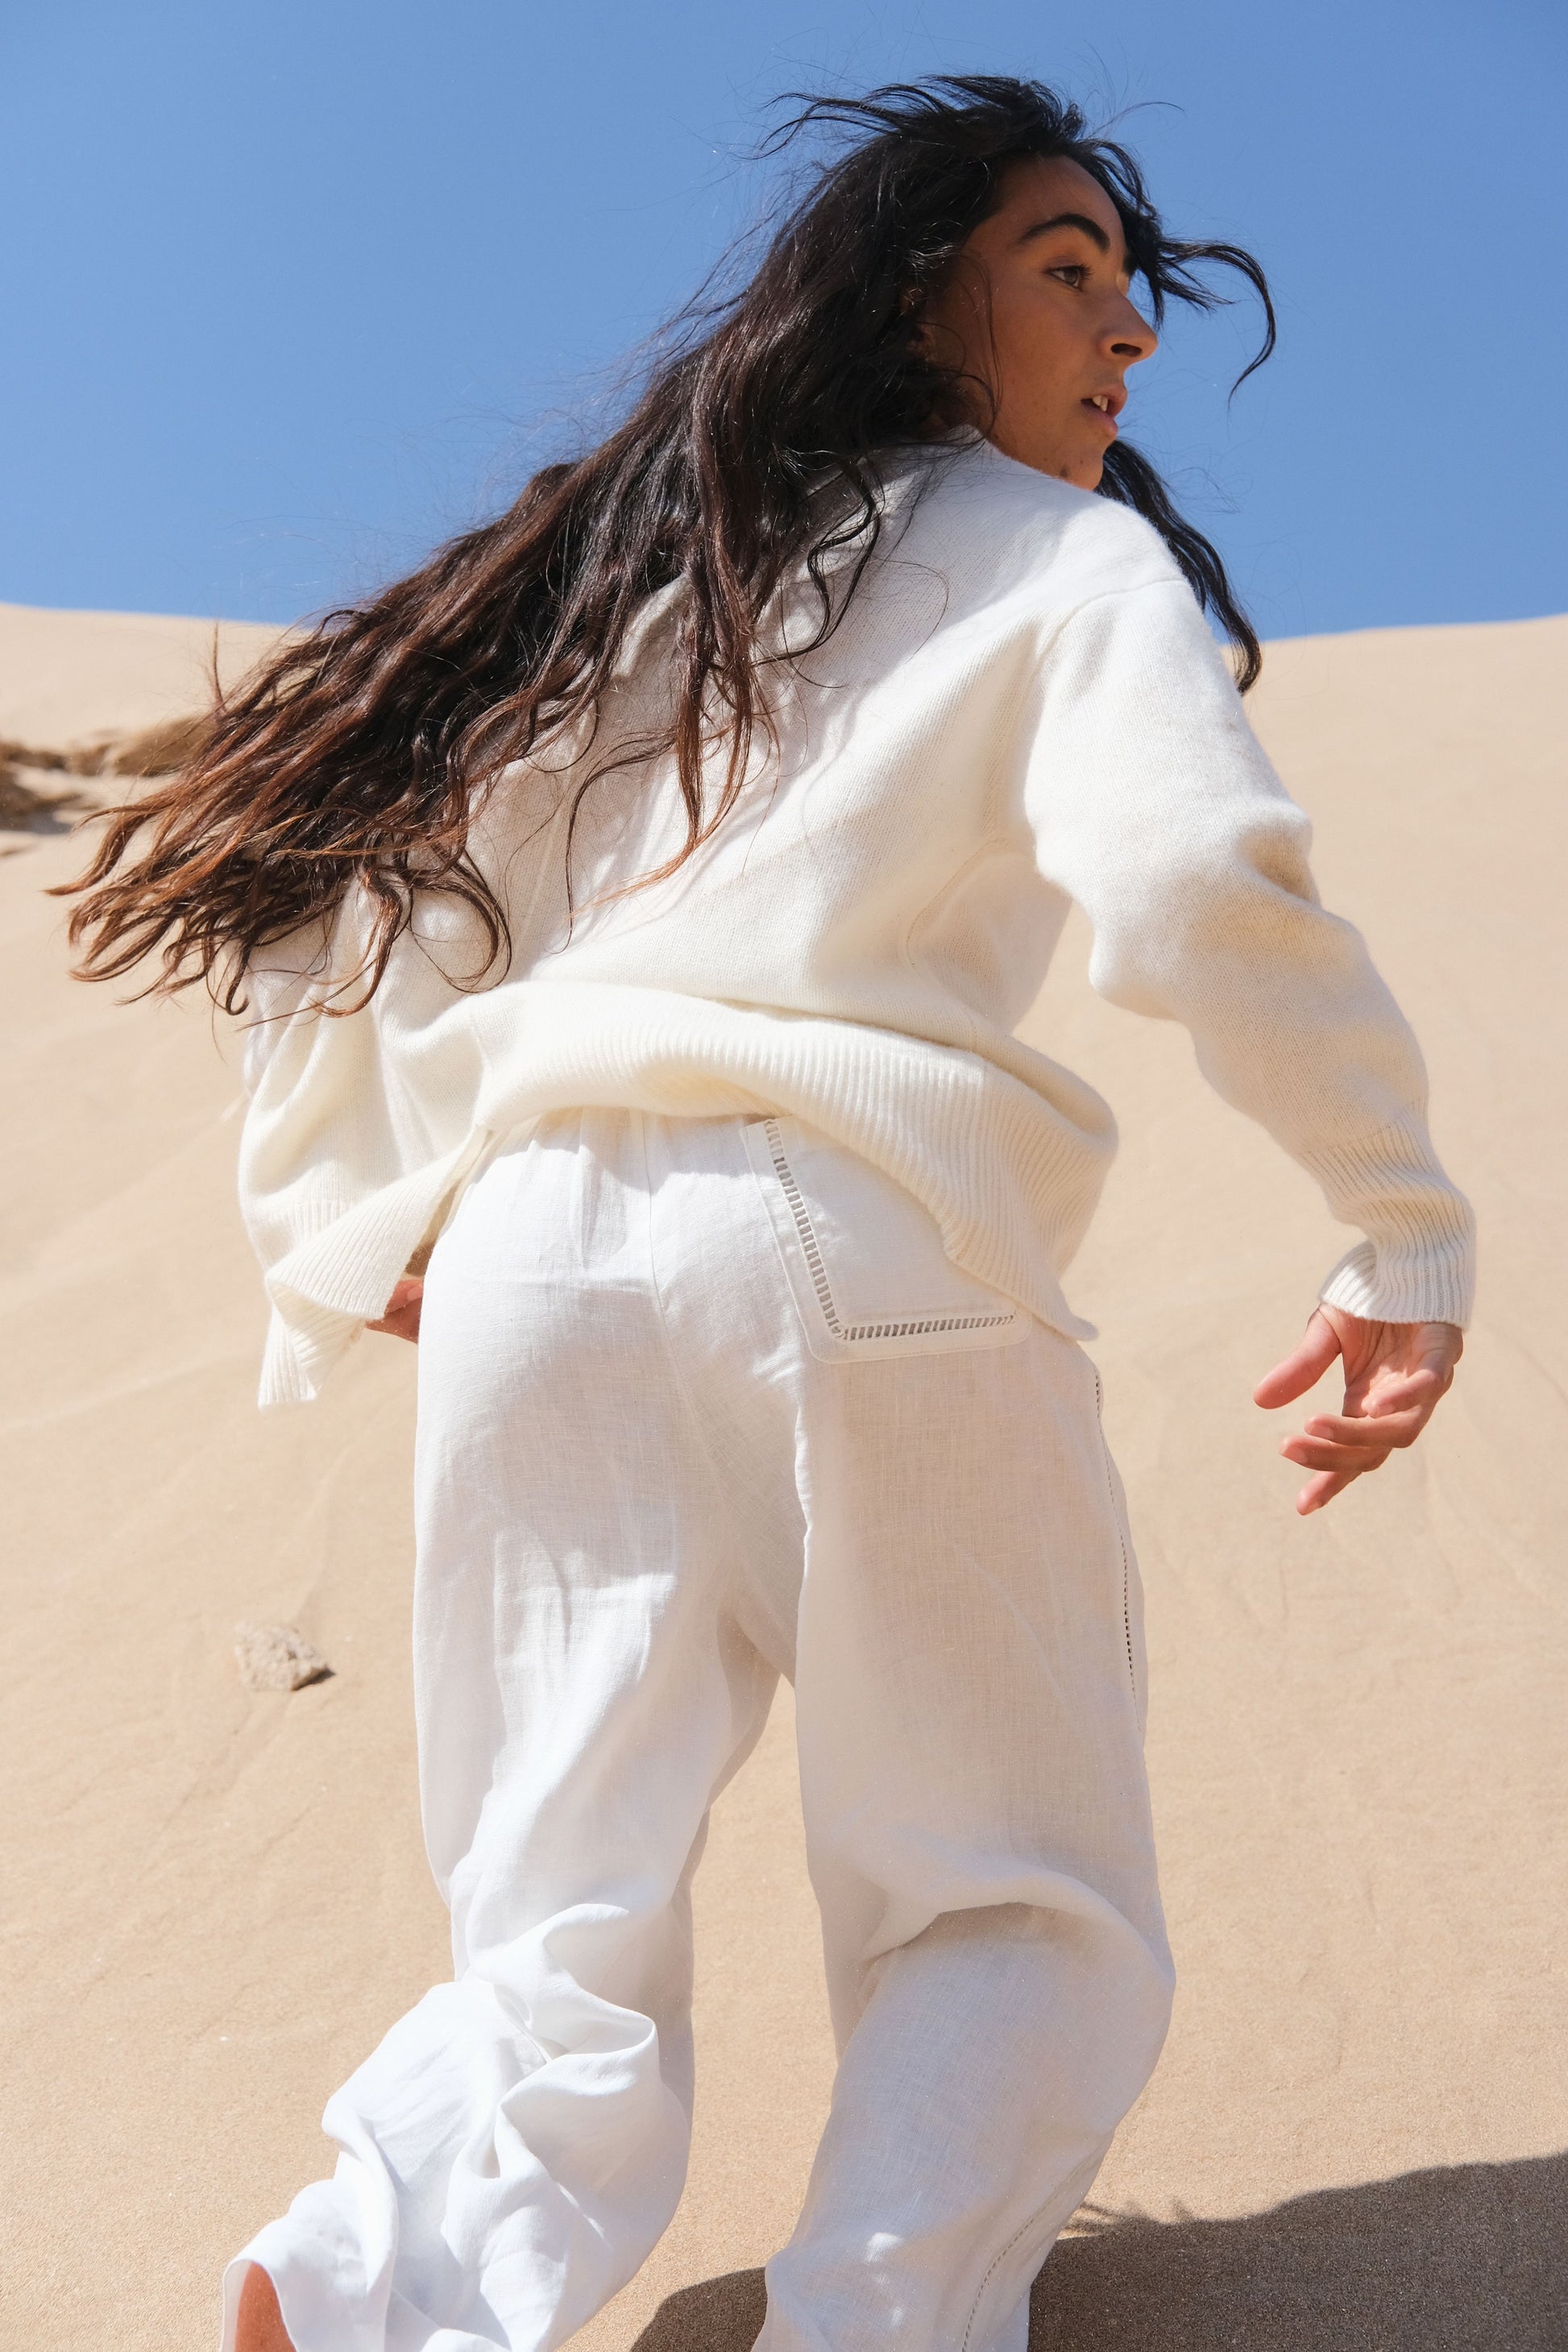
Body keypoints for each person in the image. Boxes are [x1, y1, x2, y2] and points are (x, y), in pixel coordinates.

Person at [63, 75, 1471, 2352]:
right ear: (925, 302)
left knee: (552, 1910)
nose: (1123, 331)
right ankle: (881, 2320)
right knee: (1007, 1897)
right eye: (1062, 268)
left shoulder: (649, 599)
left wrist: (356, 1216)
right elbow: (1197, 872)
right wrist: (1395, 1216)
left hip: (538, 1252)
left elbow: (353, 935)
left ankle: (371, 2289)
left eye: (1128, 285)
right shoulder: (1055, 556)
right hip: (866, 1233)